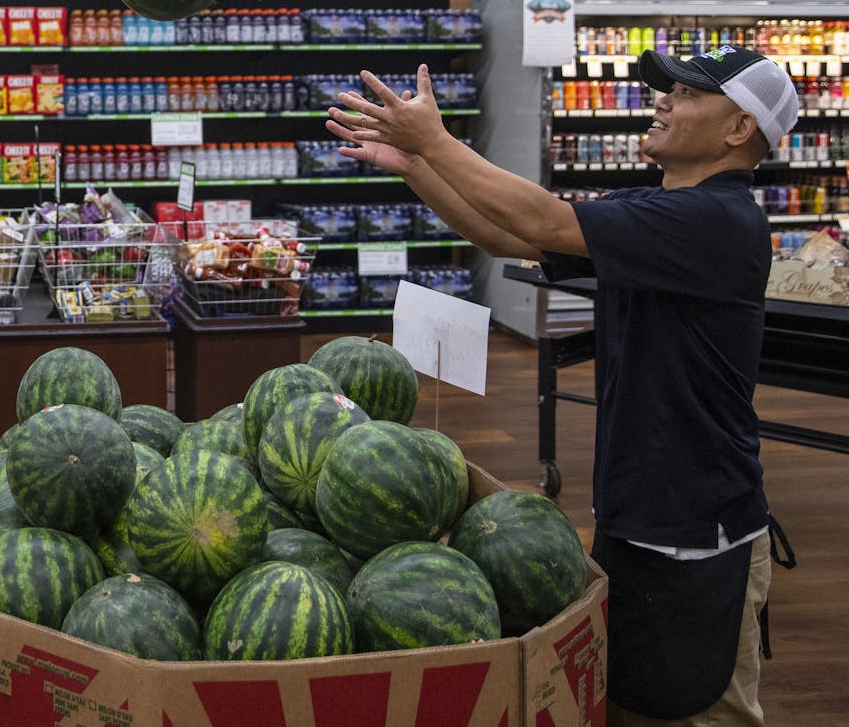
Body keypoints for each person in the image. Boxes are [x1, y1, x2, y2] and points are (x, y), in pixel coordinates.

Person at [326, 44, 797, 726]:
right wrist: (419, 167)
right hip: (640, 509)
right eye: (667, 87)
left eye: (690, 93)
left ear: (739, 129)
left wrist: (435, 139)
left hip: (700, 530)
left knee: (701, 707)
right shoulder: (661, 208)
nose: (664, 99)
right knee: (638, 699)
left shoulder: (716, 220)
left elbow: (543, 217)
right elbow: (507, 234)